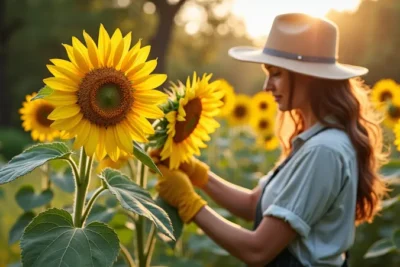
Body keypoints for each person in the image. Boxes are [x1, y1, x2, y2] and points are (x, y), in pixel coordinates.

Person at [153, 13, 388, 266]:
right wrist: (197, 174)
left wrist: (188, 203)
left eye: (276, 74)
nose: (267, 86)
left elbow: (258, 250)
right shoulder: (315, 140)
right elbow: (255, 203)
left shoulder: (324, 150)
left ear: (308, 76)